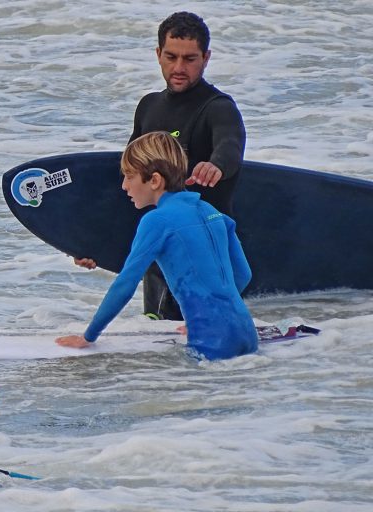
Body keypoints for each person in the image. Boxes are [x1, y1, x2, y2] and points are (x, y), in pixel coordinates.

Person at [76, 11, 246, 321]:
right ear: (158, 54)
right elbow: (129, 181)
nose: (179, 68)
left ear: (206, 58)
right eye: (171, 56)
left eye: (190, 59)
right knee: (160, 358)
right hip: (157, 261)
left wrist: (216, 166)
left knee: (195, 349)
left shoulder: (218, 108)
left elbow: (230, 147)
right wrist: (93, 244)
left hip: (201, 256)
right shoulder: (148, 107)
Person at [57, 132, 258, 361]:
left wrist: (88, 337)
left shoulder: (157, 221)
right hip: (246, 333)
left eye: (129, 176)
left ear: (154, 180)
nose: (124, 186)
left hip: (212, 341)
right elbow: (243, 274)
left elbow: (126, 283)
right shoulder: (212, 212)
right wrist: (213, 315)